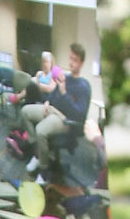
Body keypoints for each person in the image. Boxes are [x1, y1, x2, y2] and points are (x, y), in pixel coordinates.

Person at [16, 41, 93, 179]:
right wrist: (48, 101)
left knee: (40, 130)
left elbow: (79, 115)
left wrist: (64, 94)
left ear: (81, 63)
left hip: (65, 119)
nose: (71, 63)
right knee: (25, 111)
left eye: (75, 60)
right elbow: (54, 93)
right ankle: (37, 153)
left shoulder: (83, 86)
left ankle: (44, 170)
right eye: (70, 58)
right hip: (51, 109)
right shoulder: (65, 77)